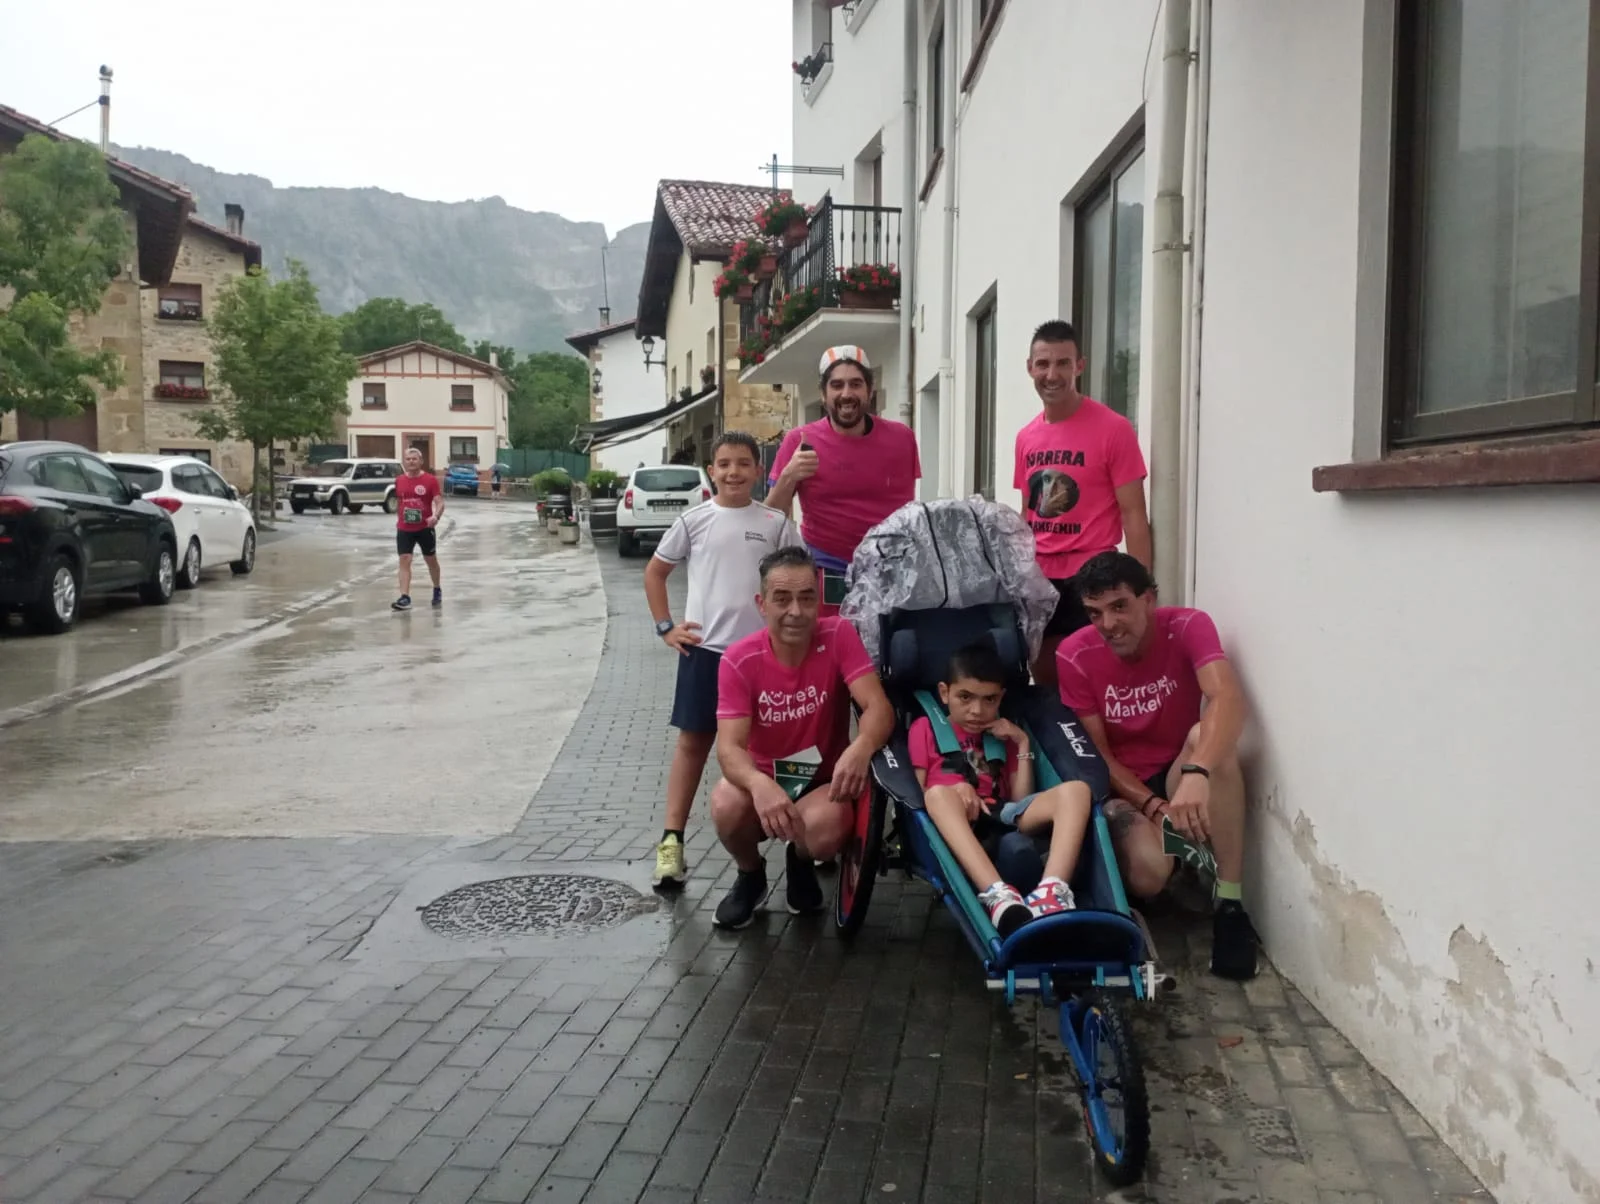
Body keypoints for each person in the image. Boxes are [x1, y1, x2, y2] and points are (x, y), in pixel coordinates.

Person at [1054, 550, 1259, 980]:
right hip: (1124, 785)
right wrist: (1151, 806)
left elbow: (1228, 699)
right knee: (1149, 875)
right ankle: (1172, 866)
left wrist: (1197, 773)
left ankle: (1230, 903)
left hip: (1178, 769)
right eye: (1094, 613)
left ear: (1149, 599)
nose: (1108, 624)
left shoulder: (1187, 625)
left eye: (1120, 606)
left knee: (1210, 741)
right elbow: (1097, 755)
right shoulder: (1074, 654)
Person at [643, 432, 802, 890]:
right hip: (705, 653)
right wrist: (666, 626)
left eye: (743, 463)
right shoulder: (693, 520)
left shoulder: (775, 523)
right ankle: (671, 843)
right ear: (711, 471)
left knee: (781, 745)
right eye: (725, 464)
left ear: (758, 471)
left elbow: (798, 578)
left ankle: (800, 842)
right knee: (693, 745)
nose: (734, 472)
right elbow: (655, 573)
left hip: (764, 656)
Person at [709, 545, 895, 929]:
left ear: (818, 599)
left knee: (828, 825)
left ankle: (801, 861)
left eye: (807, 598)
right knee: (725, 802)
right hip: (766, 779)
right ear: (762, 604)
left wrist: (862, 746)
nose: (796, 611)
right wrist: (758, 784)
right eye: (782, 599)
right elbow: (728, 748)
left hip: (821, 780)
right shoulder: (739, 660)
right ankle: (750, 874)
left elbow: (879, 708)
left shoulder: (839, 634)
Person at [909, 641, 1093, 936]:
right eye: (965, 697)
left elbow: (1021, 798)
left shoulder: (1002, 733)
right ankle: (997, 894)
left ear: (1001, 698)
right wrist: (956, 787)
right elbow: (918, 793)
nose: (977, 710)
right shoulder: (925, 728)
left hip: (1003, 812)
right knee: (937, 795)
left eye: (989, 700)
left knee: (1078, 790)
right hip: (955, 815)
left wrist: (1021, 742)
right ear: (944, 693)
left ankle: (1052, 891)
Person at [1013, 320, 1152, 686]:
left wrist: (1142, 591)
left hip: (1093, 575)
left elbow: (1134, 515)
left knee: (1098, 681)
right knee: (1046, 679)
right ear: (1030, 368)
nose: (1052, 374)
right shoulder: (1026, 437)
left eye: (1062, 363)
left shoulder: (1113, 429)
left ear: (1079, 366)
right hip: (1041, 581)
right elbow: (1027, 513)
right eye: (1043, 364)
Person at [765, 346, 921, 611]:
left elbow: (907, 508)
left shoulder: (901, 438)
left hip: (890, 571)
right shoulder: (799, 441)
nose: (846, 393)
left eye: (856, 384)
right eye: (837, 385)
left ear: (870, 390)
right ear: (823, 394)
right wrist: (789, 475)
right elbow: (769, 517)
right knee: (832, 638)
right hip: (828, 572)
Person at [392, 447, 444, 611]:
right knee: (404, 559)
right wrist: (399, 517)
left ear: (421, 461)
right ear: (404, 462)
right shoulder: (399, 480)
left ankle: (436, 588)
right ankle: (404, 597)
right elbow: (399, 501)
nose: (411, 462)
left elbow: (439, 502)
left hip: (425, 528)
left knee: (431, 560)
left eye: (414, 459)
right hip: (404, 528)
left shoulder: (430, 480)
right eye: (408, 459)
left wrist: (436, 517)